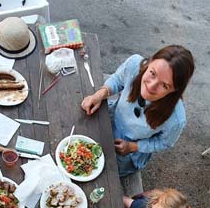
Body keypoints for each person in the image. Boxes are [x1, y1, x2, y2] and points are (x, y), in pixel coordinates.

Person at [81, 46, 194, 177]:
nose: (151, 86)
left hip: (128, 149)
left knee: (104, 175)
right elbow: (118, 79)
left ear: (175, 90)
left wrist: (133, 147)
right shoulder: (134, 64)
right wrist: (99, 95)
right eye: (152, 73)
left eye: (164, 85)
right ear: (150, 62)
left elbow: (164, 142)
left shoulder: (176, 119)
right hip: (110, 117)